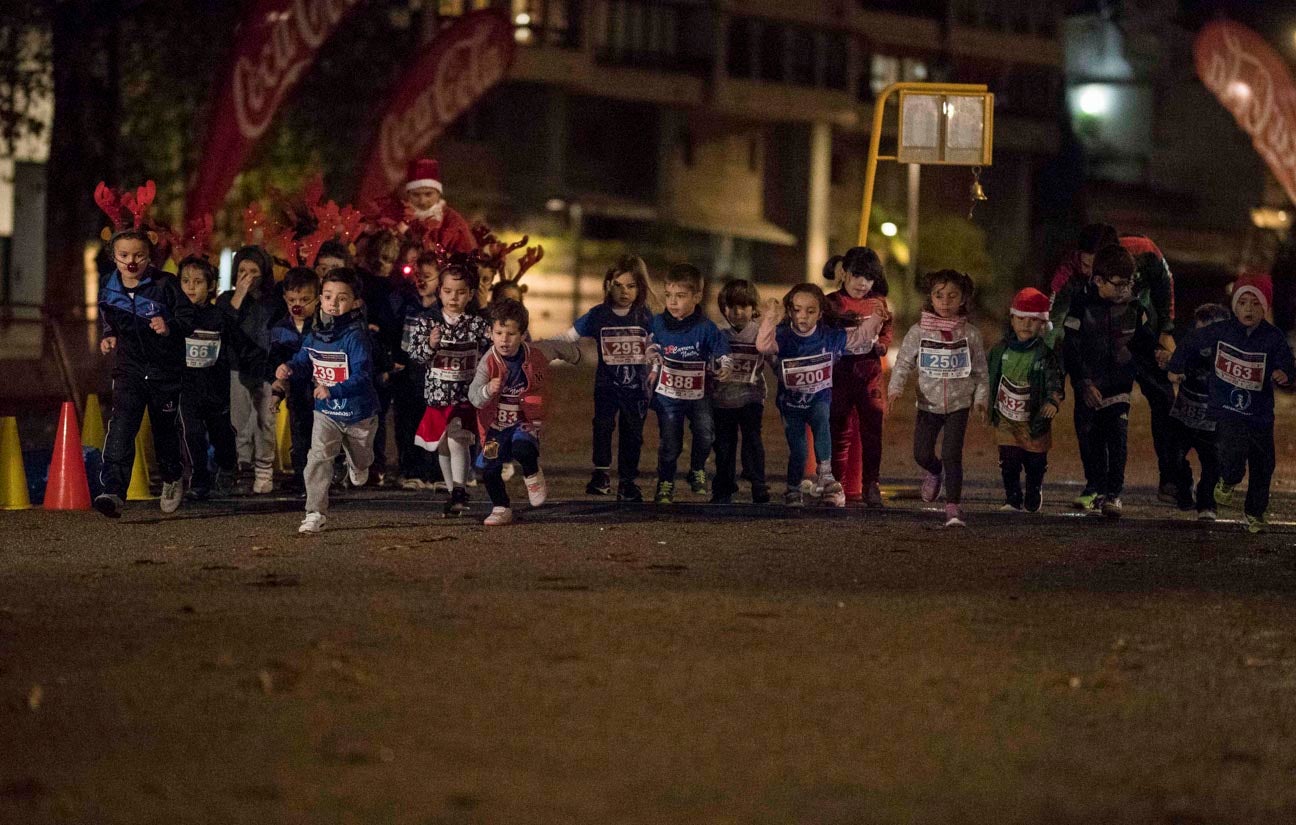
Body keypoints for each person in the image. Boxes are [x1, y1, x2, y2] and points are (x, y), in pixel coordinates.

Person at [1169, 275, 1294, 532]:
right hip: (1228, 412)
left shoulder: (1273, 338)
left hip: (1259, 415)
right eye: (1243, 302)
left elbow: (1287, 362)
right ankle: (1228, 480)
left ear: (1265, 307)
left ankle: (1255, 512)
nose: (1248, 309)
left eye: (1255, 303)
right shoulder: (1221, 331)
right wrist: (1175, 366)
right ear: (1234, 306)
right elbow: (1191, 342)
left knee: (1264, 463)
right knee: (1232, 456)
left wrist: (1284, 373)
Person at [94, 229, 195, 517]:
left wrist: (169, 326)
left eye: (138, 255)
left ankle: (173, 477)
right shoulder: (108, 286)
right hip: (129, 369)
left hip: (165, 371)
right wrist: (109, 335)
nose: (131, 261)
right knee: (122, 427)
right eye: (124, 255)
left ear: (149, 257)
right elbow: (107, 317)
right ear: (113, 257)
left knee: (164, 430)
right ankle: (113, 491)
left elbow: (187, 318)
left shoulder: (165, 285)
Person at [756, 284, 881, 507]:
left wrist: (875, 319)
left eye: (810, 311)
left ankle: (825, 472)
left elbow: (859, 337)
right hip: (791, 404)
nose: (802, 316)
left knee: (823, 423)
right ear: (790, 311)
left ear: (821, 313)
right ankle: (793, 489)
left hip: (819, 398)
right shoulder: (783, 336)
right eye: (797, 310)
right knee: (799, 450)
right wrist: (770, 320)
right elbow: (764, 346)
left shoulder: (829, 336)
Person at [276, 268, 379, 534]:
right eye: (328, 296)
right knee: (318, 458)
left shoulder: (355, 337)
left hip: (358, 414)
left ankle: (358, 465)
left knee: (362, 457)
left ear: (355, 302)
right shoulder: (314, 334)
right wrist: (288, 368)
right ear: (320, 299)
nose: (333, 303)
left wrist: (334, 390)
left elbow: (364, 376)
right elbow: (304, 361)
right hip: (326, 414)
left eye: (342, 298)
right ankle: (315, 512)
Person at [888, 269, 989, 527]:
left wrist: (981, 398)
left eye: (952, 296)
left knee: (952, 454)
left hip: (959, 404)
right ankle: (934, 472)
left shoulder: (971, 334)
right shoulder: (918, 331)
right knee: (922, 453)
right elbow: (902, 363)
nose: (945, 302)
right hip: (927, 404)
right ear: (930, 298)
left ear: (963, 299)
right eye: (939, 295)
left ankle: (953, 507)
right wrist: (895, 388)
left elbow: (980, 371)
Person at [1062, 245, 1156, 519]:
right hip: (1088, 383)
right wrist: (1081, 381)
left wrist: (1159, 355)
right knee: (1089, 436)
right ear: (1098, 280)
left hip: (1119, 383)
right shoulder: (1081, 304)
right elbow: (1071, 345)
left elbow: (1143, 340)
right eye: (1118, 284)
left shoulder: (1134, 306)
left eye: (1128, 283)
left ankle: (1113, 493)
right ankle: (1094, 486)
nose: (1124, 290)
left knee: (1117, 437)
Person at [468, 299, 580, 525]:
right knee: (490, 469)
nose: (504, 340)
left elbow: (555, 347)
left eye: (510, 334)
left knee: (523, 447)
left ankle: (532, 473)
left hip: (524, 422)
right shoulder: (488, 362)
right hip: (496, 428)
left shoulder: (535, 353)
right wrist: (488, 389)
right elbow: (473, 396)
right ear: (491, 333)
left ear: (522, 335)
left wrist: (575, 355)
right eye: (499, 333)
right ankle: (501, 507)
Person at [557, 256, 655, 501]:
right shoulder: (598, 315)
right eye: (618, 285)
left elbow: (662, 344)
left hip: (636, 388)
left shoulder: (645, 317)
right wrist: (540, 349)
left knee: (632, 433)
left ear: (640, 288)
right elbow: (569, 336)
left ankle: (627, 481)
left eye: (631, 286)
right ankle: (601, 474)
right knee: (602, 427)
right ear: (608, 285)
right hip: (606, 385)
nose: (624, 291)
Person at [408, 263, 492, 516]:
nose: (454, 297)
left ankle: (459, 489)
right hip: (437, 396)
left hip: (465, 395)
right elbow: (416, 355)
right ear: (439, 292)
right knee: (442, 444)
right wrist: (430, 345)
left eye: (460, 292)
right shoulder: (427, 322)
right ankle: (452, 489)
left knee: (458, 440)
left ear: (470, 294)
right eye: (448, 291)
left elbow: (493, 350)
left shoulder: (477, 324)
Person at [649, 263, 732, 504]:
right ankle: (665, 482)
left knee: (705, 435)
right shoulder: (658, 323)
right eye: (669, 295)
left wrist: (726, 366)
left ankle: (697, 468)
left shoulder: (705, 328)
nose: (673, 301)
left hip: (699, 397)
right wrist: (650, 353)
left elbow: (722, 350)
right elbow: (649, 342)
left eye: (681, 296)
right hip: (669, 398)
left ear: (697, 297)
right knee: (670, 442)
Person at [826, 246, 893, 507]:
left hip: (869, 375)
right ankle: (835, 485)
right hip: (839, 374)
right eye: (857, 275)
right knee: (838, 429)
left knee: (872, 430)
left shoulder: (878, 303)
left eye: (869, 278)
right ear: (844, 273)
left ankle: (871, 484)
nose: (862, 283)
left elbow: (887, 328)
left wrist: (883, 345)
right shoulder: (831, 303)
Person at [987, 288, 1063, 513]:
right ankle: (1012, 497)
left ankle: (1034, 489)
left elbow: (1054, 379)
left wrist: (1052, 401)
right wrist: (983, 401)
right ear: (1012, 319)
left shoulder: (1045, 354)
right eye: (1021, 318)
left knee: (1035, 461)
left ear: (1042, 324)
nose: (1026, 324)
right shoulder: (1000, 350)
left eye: (1033, 320)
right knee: (1009, 461)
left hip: (1035, 419)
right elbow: (989, 376)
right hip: (1006, 417)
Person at [218, 244, 282, 494]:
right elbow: (222, 324)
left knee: (266, 420)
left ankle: (264, 469)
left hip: (266, 369)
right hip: (237, 367)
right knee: (240, 422)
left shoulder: (272, 302)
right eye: (242, 270)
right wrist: (238, 296)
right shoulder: (227, 300)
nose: (247, 276)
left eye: (253, 271)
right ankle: (242, 468)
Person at [176, 255, 238, 501]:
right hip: (187, 388)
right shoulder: (176, 316)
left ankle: (227, 464)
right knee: (191, 433)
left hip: (216, 388)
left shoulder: (218, 317)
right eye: (185, 281)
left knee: (220, 432)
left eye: (198, 281)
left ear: (211, 286)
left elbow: (238, 345)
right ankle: (199, 479)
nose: (191, 287)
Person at [1165, 303, 1231, 520]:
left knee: (1213, 464)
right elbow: (1174, 366)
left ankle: (1206, 502)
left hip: (1213, 422)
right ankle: (1184, 489)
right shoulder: (1189, 347)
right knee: (1173, 457)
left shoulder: (1229, 354)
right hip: (1184, 416)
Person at [711, 279, 770, 505]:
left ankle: (758, 483)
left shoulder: (759, 333)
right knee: (724, 444)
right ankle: (724, 486)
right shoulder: (718, 332)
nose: (737, 312)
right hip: (722, 399)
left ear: (753, 308)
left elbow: (774, 356)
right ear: (723, 307)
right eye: (732, 306)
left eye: (743, 306)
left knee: (752, 440)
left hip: (751, 397)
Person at [388, 251, 442, 490]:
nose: (421, 282)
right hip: (407, 375)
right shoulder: (405, 304)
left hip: (433, 375)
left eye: (428, 276)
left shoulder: (443, 310)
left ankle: (435, 472)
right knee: (407, 423)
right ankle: (410, 470)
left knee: (432, 422)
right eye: (418, 276)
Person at [268, 267, 320, 494]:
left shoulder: (322, 326)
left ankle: (325, 475)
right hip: (296, 391)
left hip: (320, 388)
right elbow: (276, 360)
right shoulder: (280, 329)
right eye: (292, 300)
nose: (298, 305)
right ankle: (301, 476)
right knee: (299, 431)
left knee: (320, 434)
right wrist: (277, 385)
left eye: (305, 299)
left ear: (317, 299)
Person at [401, 158, 477, 254]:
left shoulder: (453, 221)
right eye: (416, 195)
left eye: (428, 194)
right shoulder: (397, 217)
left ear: (438, 193)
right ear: (408, 194)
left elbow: (468, 254)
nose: (422, 201)